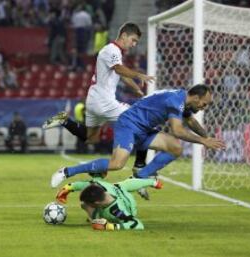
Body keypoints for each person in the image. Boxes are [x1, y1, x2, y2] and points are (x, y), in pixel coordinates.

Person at [44, 22, 154, 197]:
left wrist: (136, 88)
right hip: (105, 102)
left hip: (94, 100)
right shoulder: (112, 50)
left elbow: (120, 74)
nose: (134, 44)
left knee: (90, 138)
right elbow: (119, 69)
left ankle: (64, 120)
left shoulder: (114, 53)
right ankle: (140, 173)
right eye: (133, 40)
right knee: (145, 124)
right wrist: (139, 75)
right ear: (124, 35)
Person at [51, 84, 226, 188]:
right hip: (129, 124)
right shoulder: (175, 101)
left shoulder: (182, 100)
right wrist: (203, 141)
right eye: (205, 102)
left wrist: (207, 137)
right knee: (117, 164)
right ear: (196, 96)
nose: (205, 106)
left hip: (145, 129)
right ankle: (67, 171)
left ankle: (141, 176)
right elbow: (178, 130)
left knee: (176, 148)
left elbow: (191, 122)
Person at [55, 176, 163, 230]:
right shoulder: (101, 185)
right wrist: (68, 188)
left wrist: (109, 226)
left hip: (129, 207)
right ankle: (152, 181)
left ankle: (94, 216)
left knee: (84, 205)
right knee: (121, 185)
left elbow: (138, 225)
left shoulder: (117, 212)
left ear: (97, 203)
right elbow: (84, 185)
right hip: (116, 190)